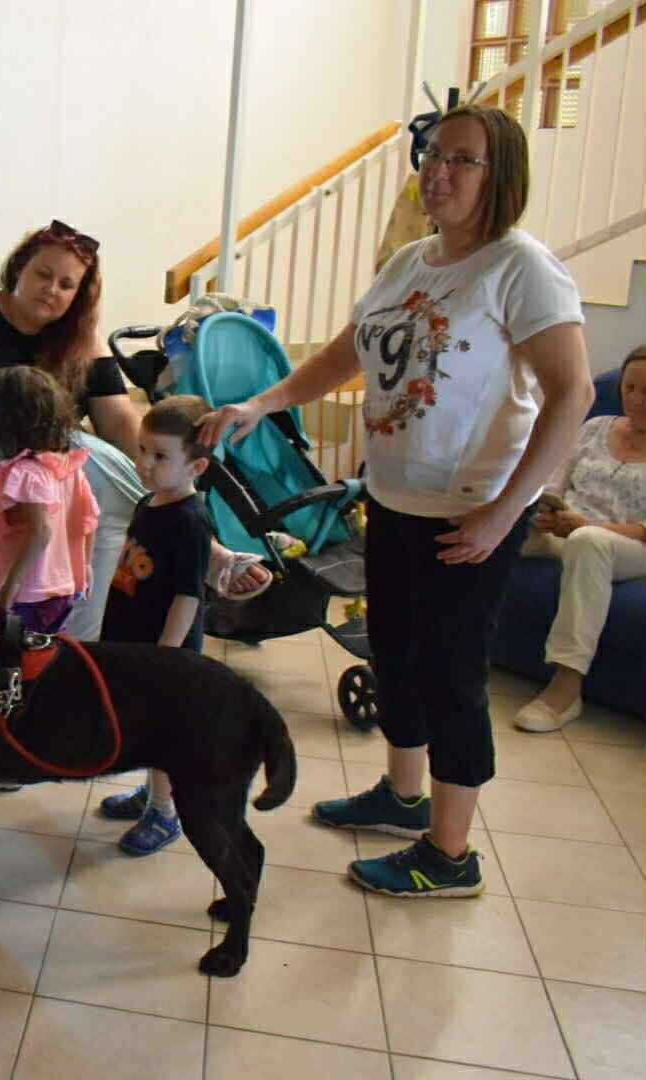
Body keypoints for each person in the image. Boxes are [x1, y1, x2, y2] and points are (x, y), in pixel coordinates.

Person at [200, 105, 594, 897]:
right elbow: (346, 355)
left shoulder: (523, 269)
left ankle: (451, 855)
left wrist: (503, 513)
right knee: (397, 653)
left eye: (462, 159)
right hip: (394, 498)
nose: (437, 171)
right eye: (432, 154)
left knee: (451, 674)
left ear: (501, 174)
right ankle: (403, 797)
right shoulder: (411, 261)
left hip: (470, 514)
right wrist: (264, 403)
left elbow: (572, 394)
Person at [0, 220, 269, 640]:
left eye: (66, 284)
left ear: (79, 294)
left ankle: (85, 644)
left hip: (48, 494)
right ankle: (203, 556)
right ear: (18, 269)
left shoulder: (80, 336)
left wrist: (165, 466)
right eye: (43, 274)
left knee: (107, 503)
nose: (51, 289)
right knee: (70, 452)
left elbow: (122, 425)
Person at [96, 396, 215, 854]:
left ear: (196, 467)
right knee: (145, 725)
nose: (144, 463)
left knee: (164, 732)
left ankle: (165, 813)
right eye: (143, 449)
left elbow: (189, 595)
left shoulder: (190, 521)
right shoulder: (150, 501)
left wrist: (166, 654)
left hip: (165, 650)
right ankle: (151, 794)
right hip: (134, 639)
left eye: (161, 456)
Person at [515, 344, 646, 731]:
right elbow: (553, 482)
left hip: (628, 546)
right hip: (566, 531)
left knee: (589, 541)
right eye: (630, 388)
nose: (636, 399)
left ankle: (566, 689)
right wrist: (545, 512)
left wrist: (585, 525)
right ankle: (437, 636)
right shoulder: (596, 427)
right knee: (495, 526)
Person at [0, 366, 99, 633]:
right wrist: (85, 566)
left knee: (20, 653)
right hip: (62, 586)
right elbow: (89, 520)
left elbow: (41, 531)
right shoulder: (67, 468)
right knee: (46, 649)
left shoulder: (26, 474)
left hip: (32, 591)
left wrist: (12, 585)